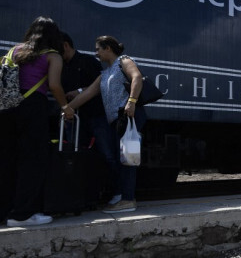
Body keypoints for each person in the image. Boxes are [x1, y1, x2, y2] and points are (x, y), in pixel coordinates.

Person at [0, 17, 74, 227]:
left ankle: (4, 211)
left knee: (6, 159)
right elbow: (54, 85)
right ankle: (22, 214)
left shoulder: (14, 51)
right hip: (32, 107)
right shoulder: (53, 56)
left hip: (5, 107)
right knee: (32, 160)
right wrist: (65, 107)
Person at [65, 36, 146, 213]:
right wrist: (67, 109)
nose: (96, 53)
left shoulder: (124, 61)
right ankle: (124, 196)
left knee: (128, 158)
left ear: (108, 48)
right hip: (117, 120)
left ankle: (128, 200)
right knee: (121, 158)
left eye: (98, 49)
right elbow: (87, 94)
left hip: (129, 115)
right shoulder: (105, 74)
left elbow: (137, 77)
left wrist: (131, 101)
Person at [60, 33, 110, 186]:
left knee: (106, 153)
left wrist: (78, 92)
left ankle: (110, 188)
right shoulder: (61, 66)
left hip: (95, 116)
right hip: (73, 117)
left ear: (65, 46)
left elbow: (101, 86)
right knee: (74, 155)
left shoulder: (88, 62)